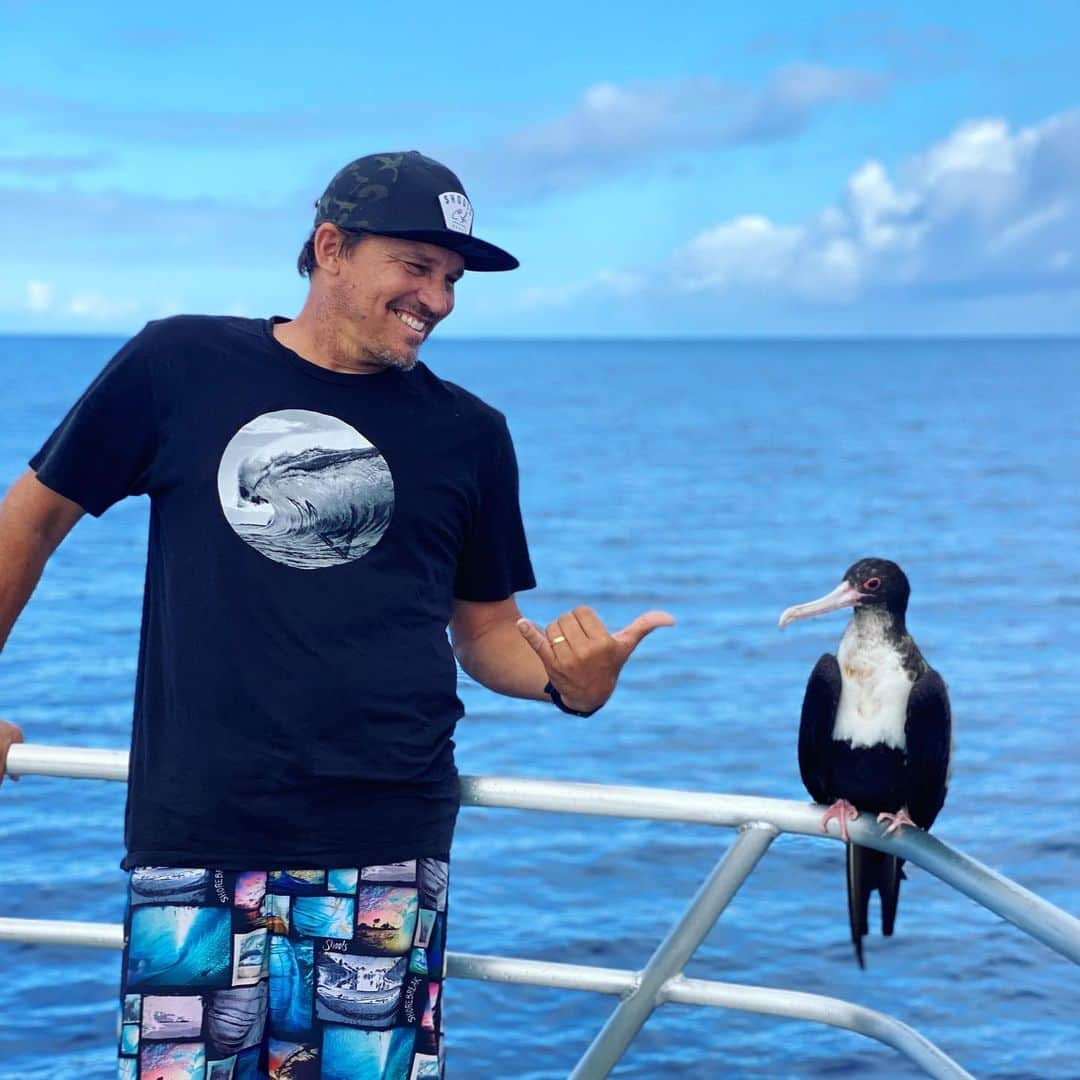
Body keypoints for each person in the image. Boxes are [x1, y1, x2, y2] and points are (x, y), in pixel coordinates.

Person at [0, 150, 673, 1079]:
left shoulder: (470, 433)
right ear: (330, 248)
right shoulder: (179, 364)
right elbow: (31, 522)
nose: (436, 298)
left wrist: (573, 685)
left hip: (384, 850)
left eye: (450, 278)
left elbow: (484, 635)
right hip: (196, 838)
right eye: (415, 266)